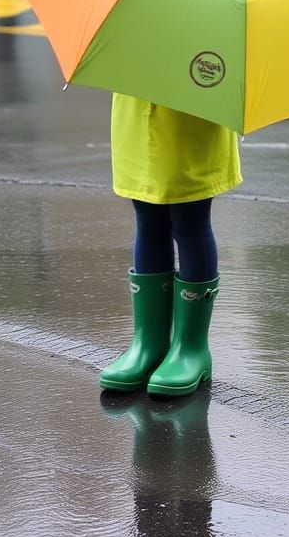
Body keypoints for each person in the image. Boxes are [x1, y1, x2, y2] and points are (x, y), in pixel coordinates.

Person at [99, 94, 242, 397]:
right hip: (136, 104)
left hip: (192, 101)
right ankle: (148, 345)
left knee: (189, 221)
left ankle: (191, 349)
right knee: (147, 219)